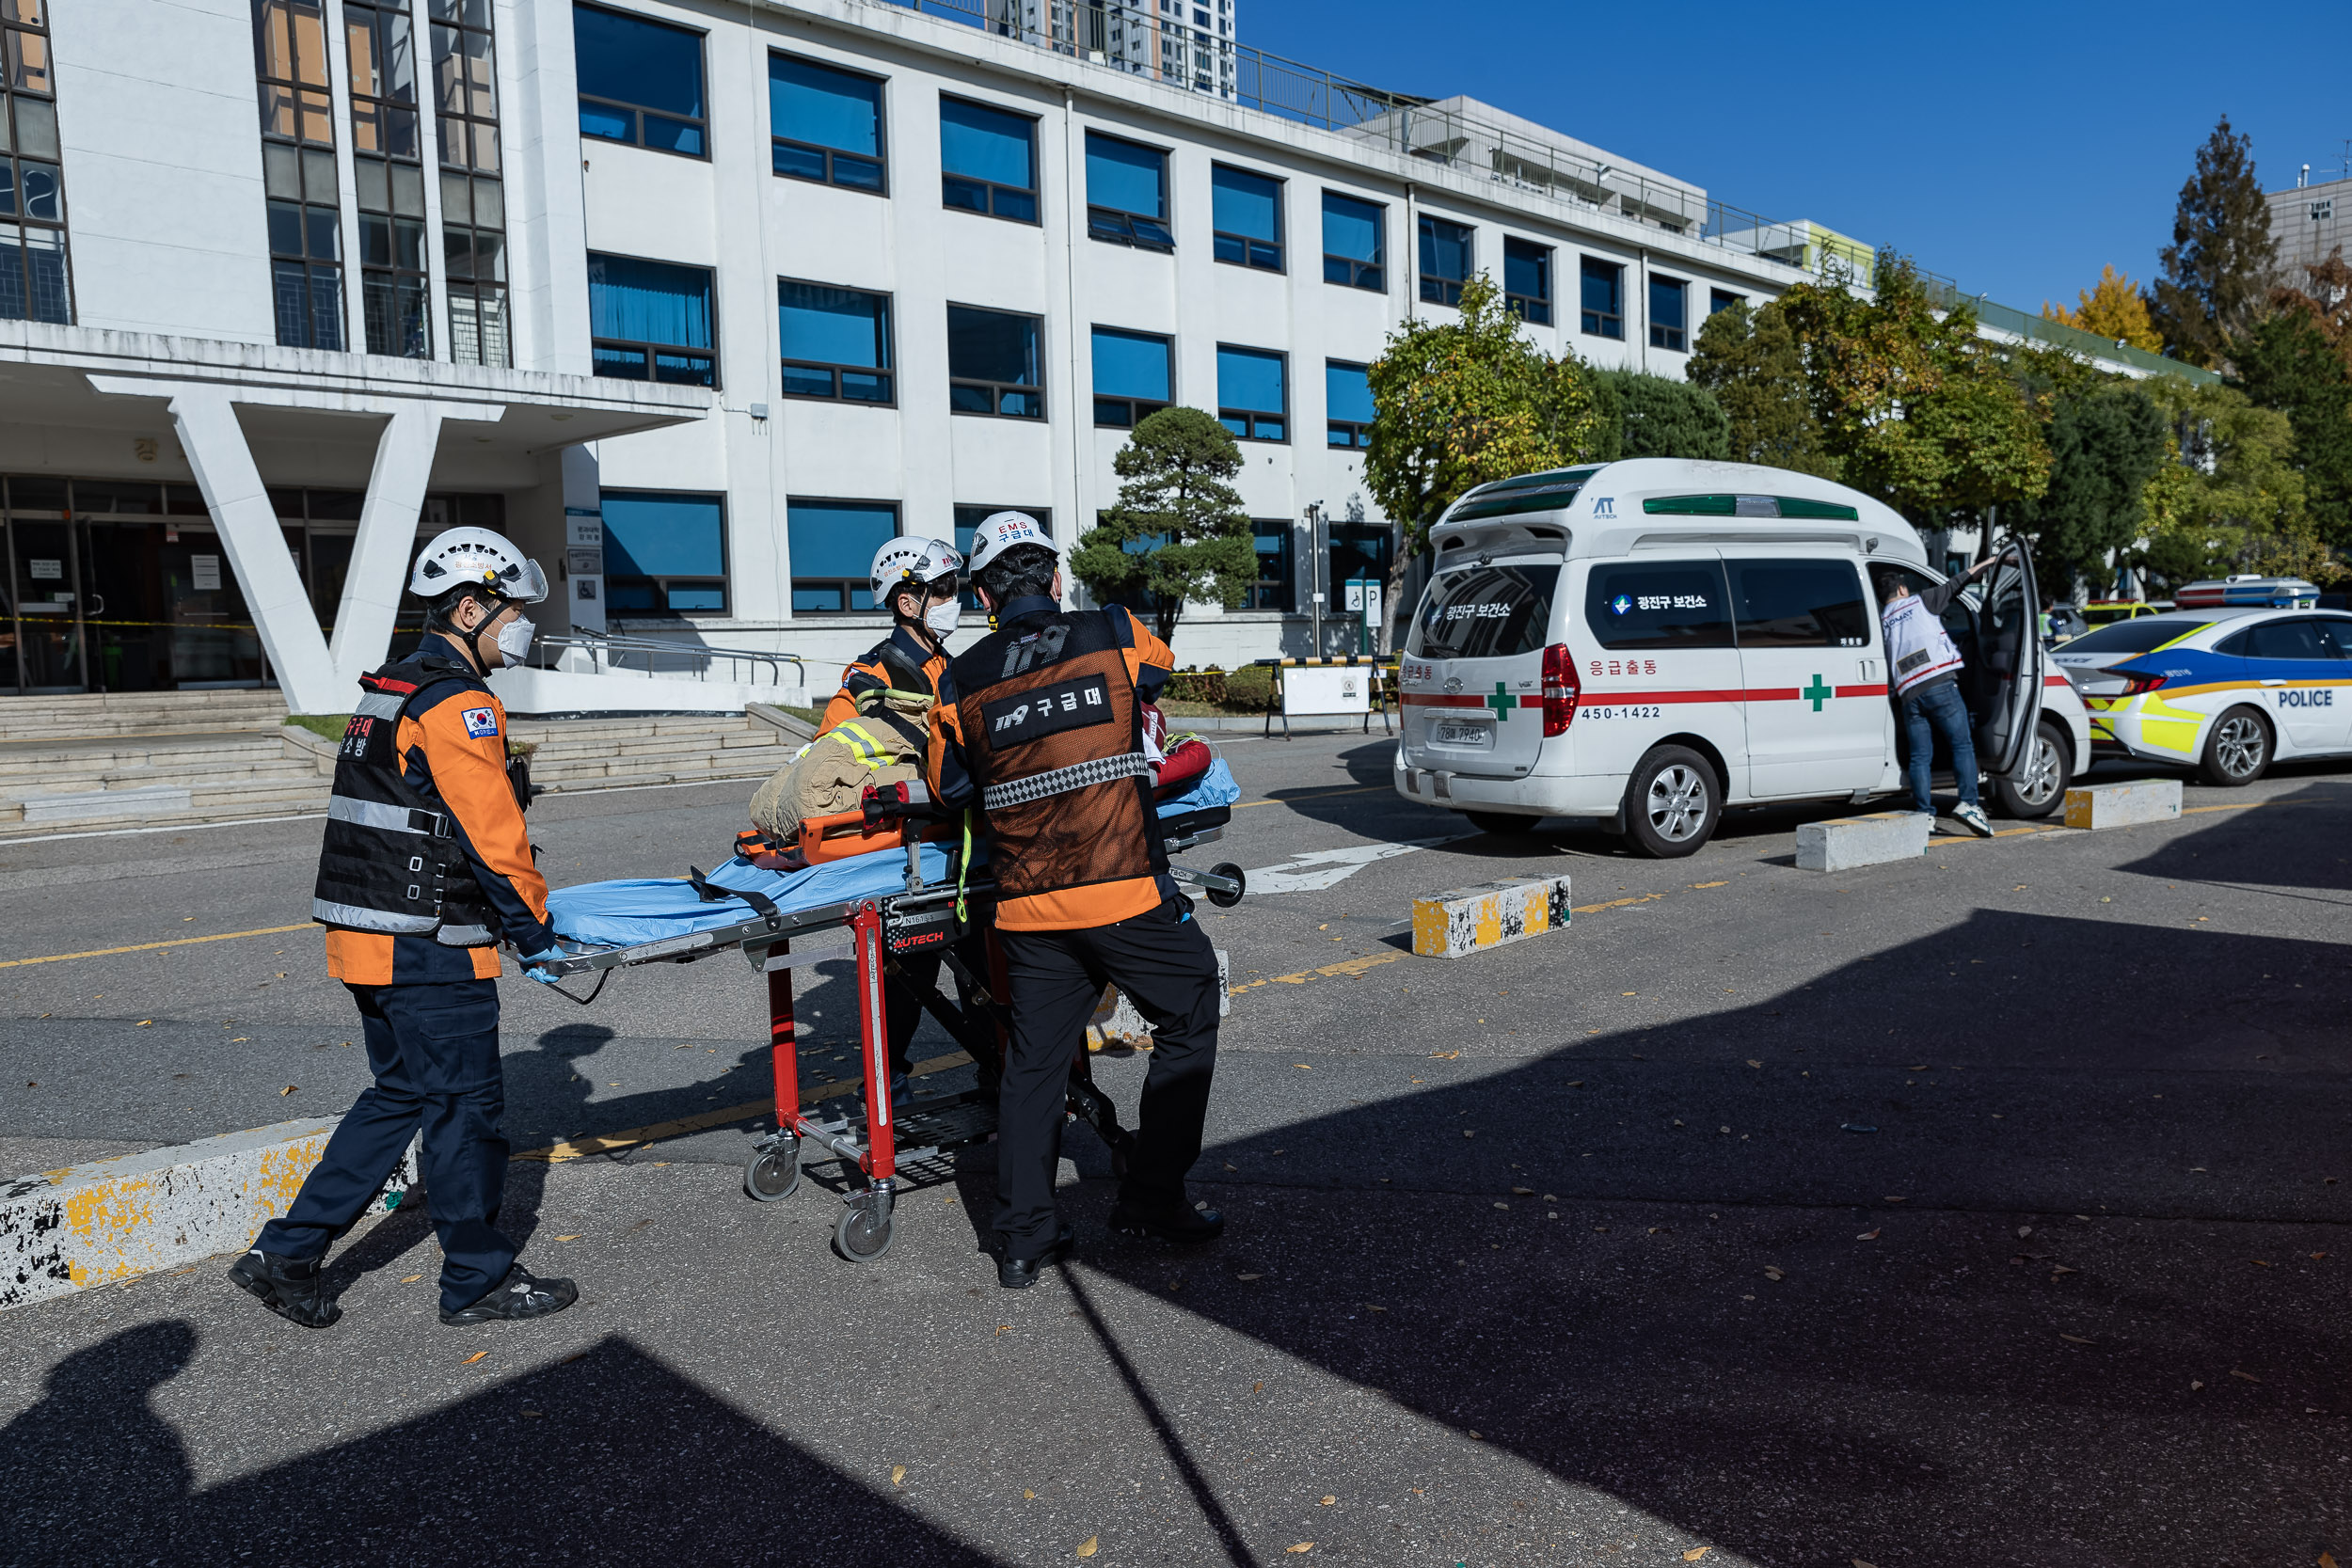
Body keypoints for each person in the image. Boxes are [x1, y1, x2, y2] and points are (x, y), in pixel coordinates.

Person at [230, 528, 577, 1330]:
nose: (519, 625)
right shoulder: (460, 703)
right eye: (511, 610)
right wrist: (535, 932)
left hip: (367, 941)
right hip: (429, 945)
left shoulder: (388, 688)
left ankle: (284, 1254)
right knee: (465, 1110)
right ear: (468, 607)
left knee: (399, 1098)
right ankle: (478, 1280)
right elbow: (492, 836)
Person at [930, 513, 1223, 1290]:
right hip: (1124, 886)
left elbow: (948, 785)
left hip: (1028, 909)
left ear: (985, 596)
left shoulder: (959, 679)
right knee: (1188, 1012)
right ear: (1055, 579)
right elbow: (1159, 673)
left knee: (1033, 1062)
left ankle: (1023, 1238)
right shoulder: (1115, 629)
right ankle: (1153, 1198)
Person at [814, 536, 973, 1107]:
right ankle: (886, 1084)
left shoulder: (950, 666)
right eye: (945, 591)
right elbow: (831, 766)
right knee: (906, 977)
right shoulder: (870, 678)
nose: (956, 600)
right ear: (909, 602)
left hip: (962, 847)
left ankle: (996, 1071)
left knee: (980, 971)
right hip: (904, 856)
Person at [1875, 556, 1997, 838]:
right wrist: (1991, 561)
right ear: (1902, 589)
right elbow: (1959, 581)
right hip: (1939, 684)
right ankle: (1968, 804)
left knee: (1920, 757)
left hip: (1909, 694)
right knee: (1962, 744)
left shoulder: (1883, 621)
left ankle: (1924, 814)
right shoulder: (1921, 601)